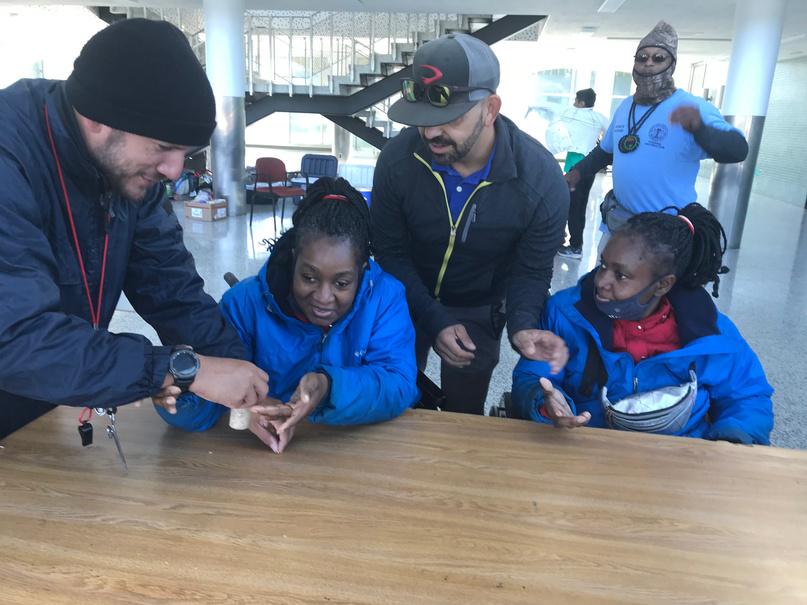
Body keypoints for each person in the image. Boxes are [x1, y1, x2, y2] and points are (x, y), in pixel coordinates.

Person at [0, 19, 269, 439]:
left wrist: (243, 385)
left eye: (185, 153)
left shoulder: (128, 173)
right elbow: (16, 338)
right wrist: (179, 370)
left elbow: (173, 292)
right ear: (97, 120)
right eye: (163, 147)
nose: (175, 170)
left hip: (44, 404)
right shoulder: (10, 157)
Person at [371, 33, 570, 415]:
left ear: (490, 109)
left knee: (464, 416)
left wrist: (523, 325)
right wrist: (433, 318)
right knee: (392, 403)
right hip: (404, 295)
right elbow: (390, 252)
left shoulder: (541, 181)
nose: (430, 132)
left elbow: (531, 270)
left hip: (480, 305)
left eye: (449, 117)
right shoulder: (398, 161)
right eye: (423, 118)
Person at [154, 177, 419, 453]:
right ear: (294, 258)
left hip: (354, 454)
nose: (323, 297)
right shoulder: (244, 304)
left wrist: (328, 387)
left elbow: (399, 384)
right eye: (309, 277)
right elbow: (196, 410)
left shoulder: (385, 299)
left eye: (341, 283)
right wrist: (185, 389)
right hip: (262, 459)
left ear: (362, 270)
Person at [511, 203, 774, 444]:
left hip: (679, 460)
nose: (601, 281)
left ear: (663, 285)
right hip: (585, 448)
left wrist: (734, 438)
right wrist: (543, 403)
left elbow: (748, 396)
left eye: (621, 275)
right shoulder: (565, 313)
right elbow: (532, 375)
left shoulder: (711, 335)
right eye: (603, 265)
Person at [565, 21, 748, 245]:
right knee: (604, 270)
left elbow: (738, 151)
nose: (648, 63)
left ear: (672, 64)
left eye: (658, 58)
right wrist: (578, 172)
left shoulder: (693, 107)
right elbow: (605, 152)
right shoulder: (626, 106)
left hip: (664, 235)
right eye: (642, 58)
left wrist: (700, 127)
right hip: (618, 226)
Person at [552, 88, 610, 259]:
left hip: (576, 167)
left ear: (582, 103)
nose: (573, 103)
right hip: (588, 166)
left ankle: (575, 246)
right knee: (577, 206)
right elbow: (609, 136)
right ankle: (570, 242)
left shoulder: (573, 114)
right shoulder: (598, 118)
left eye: (576, 101)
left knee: (572, 207)